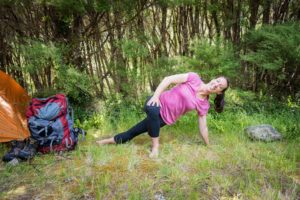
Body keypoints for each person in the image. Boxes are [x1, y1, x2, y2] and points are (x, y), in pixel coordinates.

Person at [96, 72, 229, 158]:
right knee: (153, 112)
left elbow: (203, 127)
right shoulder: (194, 78)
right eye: (217, 81)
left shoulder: (204, 104)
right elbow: (168, 79)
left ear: (219, 92)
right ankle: (155, 147)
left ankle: (105, 141)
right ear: (213, 78)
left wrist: (208, 145)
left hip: (164, 119)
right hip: (155, 102)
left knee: (133, 132)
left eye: (220, 86)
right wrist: (155, 96)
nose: (216, 84)